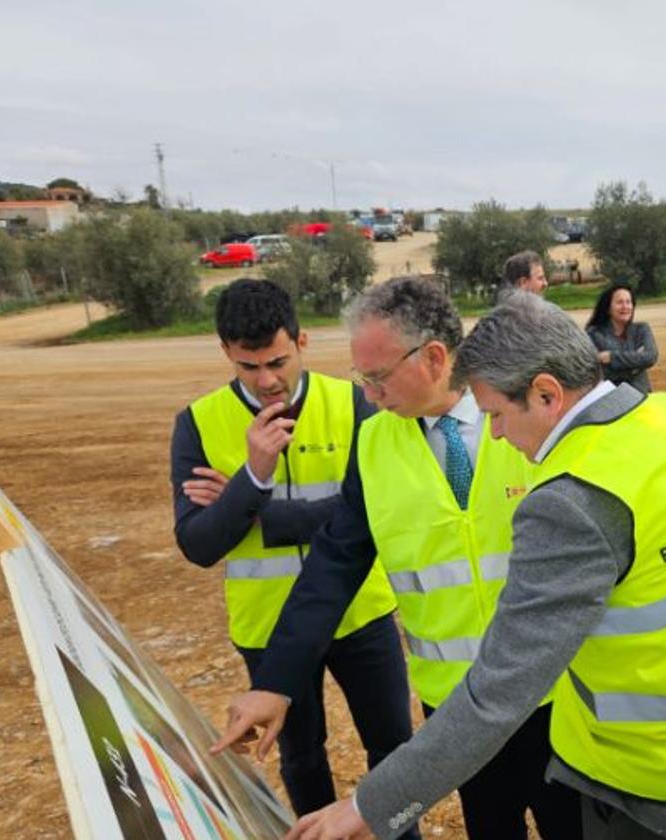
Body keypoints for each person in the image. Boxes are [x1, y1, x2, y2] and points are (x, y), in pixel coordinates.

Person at [268, 291, 666, 840]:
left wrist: (373, 807)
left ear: (545, 394)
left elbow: (500, 689)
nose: (495, 435)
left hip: (645, 772)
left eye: (497, 415)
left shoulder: (574, 497)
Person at [212, 277, 581, 840]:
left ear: (434, 357)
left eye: (378, 377)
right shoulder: (374, 442)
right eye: (362, 377)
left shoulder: (532, 415)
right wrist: (277, 681)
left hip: (561, 697)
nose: (368, 393)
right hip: (459, 713)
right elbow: (334, 565)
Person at [170, 278, 413, 818]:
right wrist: (254, 475)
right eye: (248, 367)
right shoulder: (198, 424)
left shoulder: (355, 404)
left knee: (393, 748)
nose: (267, 381)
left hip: (361, 614)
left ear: (302, 342)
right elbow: (198, 545)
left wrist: (252, 508)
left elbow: (374, 512)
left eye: (278, 362)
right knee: (302, 758)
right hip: (268, 628)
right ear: (226, 354)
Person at [585, 282, 659, 393]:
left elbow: (650, 357)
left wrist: (612, 357)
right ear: (608, 308)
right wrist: (636, 366)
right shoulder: (594, 334)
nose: (625, 306)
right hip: (611, 399)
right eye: (619, 302)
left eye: (628, 302)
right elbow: (597, 371)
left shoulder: (642, 329)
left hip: (642, 397)